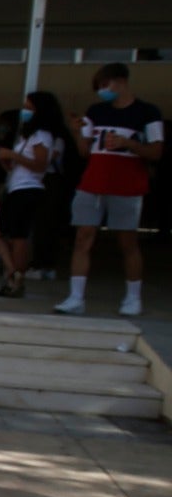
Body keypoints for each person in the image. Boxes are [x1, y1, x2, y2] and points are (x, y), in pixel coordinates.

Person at [56, 62, 163, 317]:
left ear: (121, 81)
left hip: (127, 185)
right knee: (83, 237)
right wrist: (77, 132)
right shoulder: (96, 111)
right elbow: (84, 150)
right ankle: (75, 297)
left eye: (106, 85)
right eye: (100, 87)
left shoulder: (147, 112)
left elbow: (156, 151)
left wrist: (129, 144)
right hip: (93, 182)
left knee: (127, 241)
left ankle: (133, 297)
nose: (103, 91)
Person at [0, 91, 70, 298]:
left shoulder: (42, 136)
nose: (24, 111)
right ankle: (12, 270)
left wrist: (12, 154)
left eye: (29, 108)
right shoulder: (29, 135)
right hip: (17, 186)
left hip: (28, 189)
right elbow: (19, 166)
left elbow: (39, 165)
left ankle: (16, 277)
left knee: (18, 236)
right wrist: (6, 160)